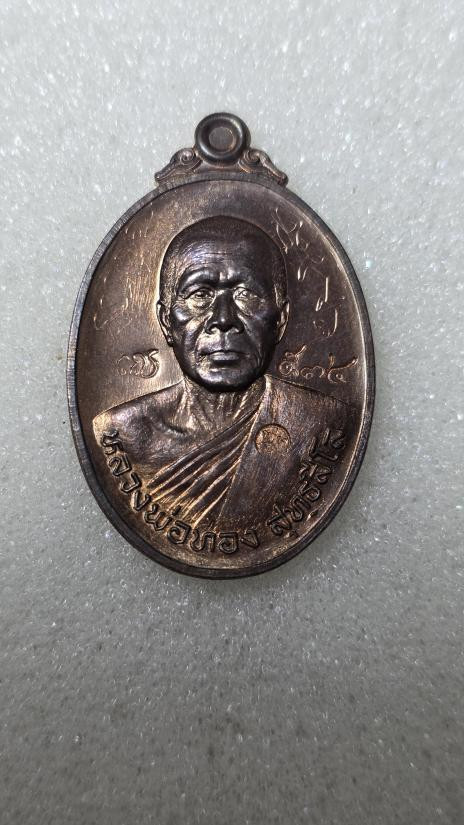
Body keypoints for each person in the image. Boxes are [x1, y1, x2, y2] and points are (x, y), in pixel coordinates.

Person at [93, 216, 353, 530]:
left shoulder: (324, 424)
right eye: (200, 295)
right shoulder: (122, 431)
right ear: (166, 321)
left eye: (246, 294)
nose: (223, 319)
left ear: (280, 319)